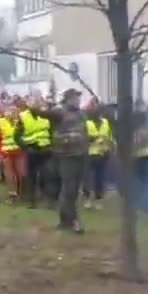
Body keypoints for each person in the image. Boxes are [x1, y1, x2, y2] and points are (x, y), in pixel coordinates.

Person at [40, 89, 90, 233]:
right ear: (68, 99)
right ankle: (73, 221)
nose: (78, 101)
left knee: (74, 191)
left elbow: (84, 134)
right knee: (69, 188)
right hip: (66, 156)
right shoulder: (60, 112)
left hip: (80, 155)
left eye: (78, 98)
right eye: (75, 98)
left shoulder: (81, 115)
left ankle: (66, 220)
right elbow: (43, 114)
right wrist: (37, 105)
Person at [84, 101, 113, 208]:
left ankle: (98, 199)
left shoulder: (105, 122)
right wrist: (94, 138)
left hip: (103, 153)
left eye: (99, 109)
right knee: (87, 178)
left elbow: (109, 136)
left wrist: (109, 147)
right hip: (90, 153)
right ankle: (88, 198)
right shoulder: (87, 123)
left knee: (100, 178)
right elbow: (84, 137)